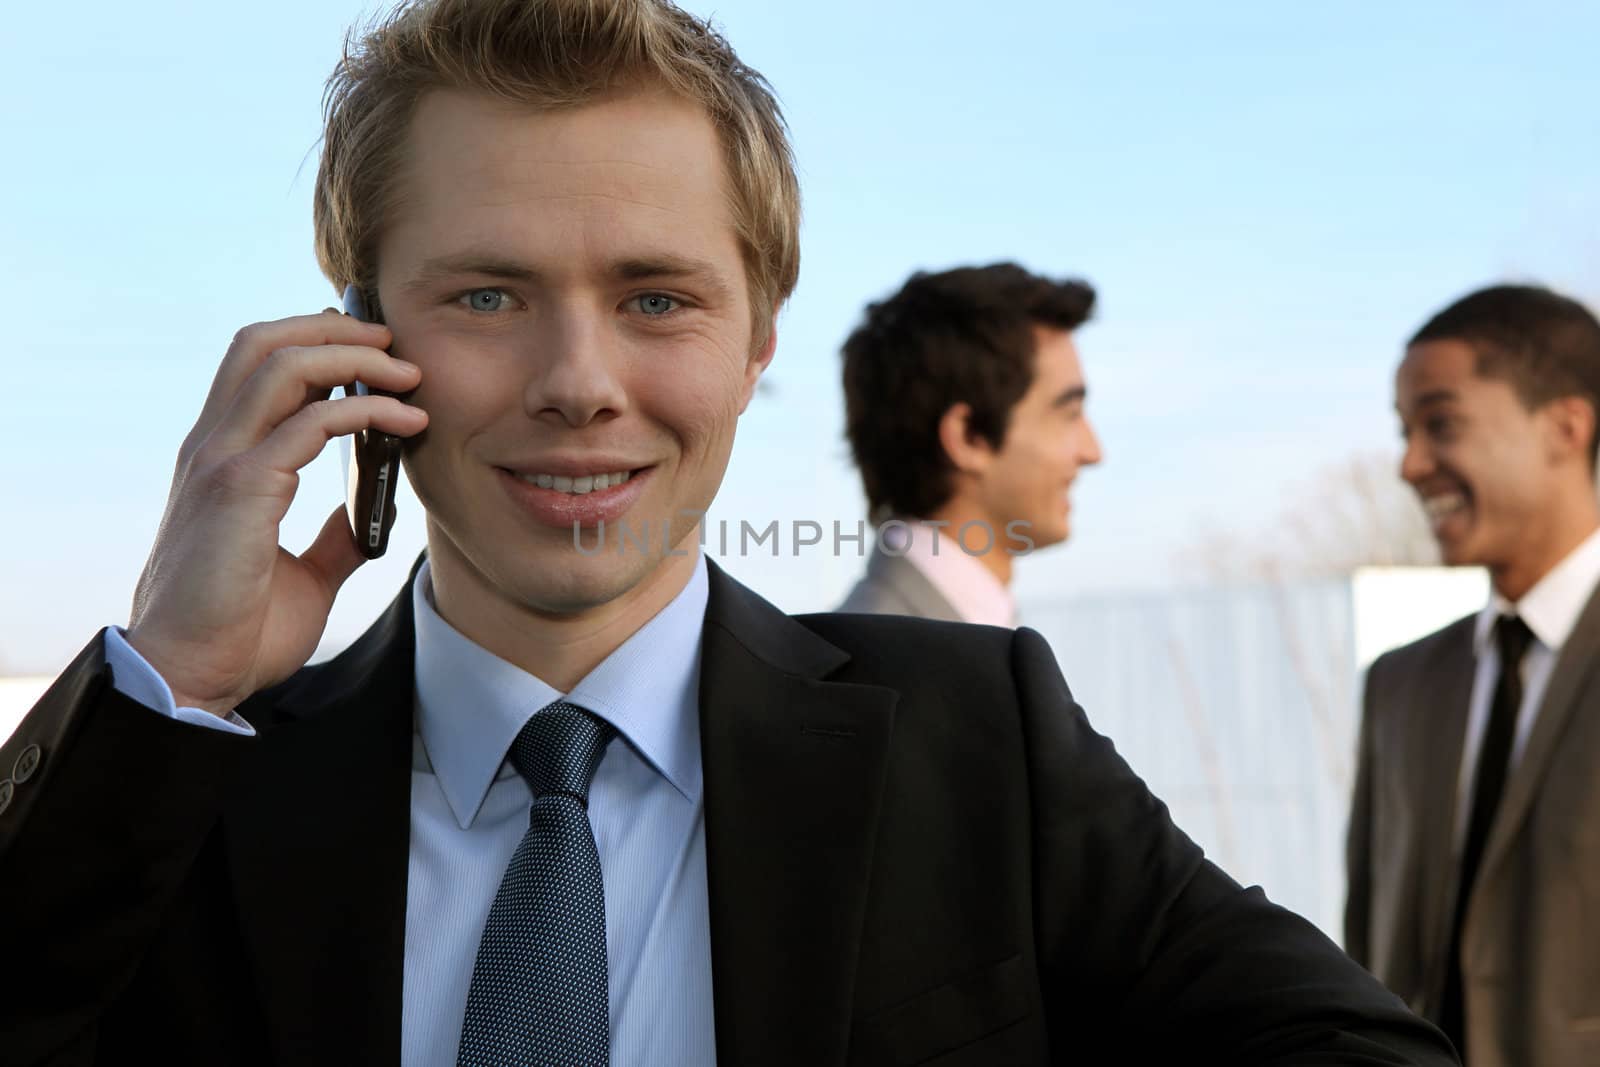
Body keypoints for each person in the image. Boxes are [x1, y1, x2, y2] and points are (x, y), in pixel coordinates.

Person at [0, 0, 1454, 1063]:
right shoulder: (186, 785)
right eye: (488, 295)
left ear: (760, 338)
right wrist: (172, 676)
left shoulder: (977, 740)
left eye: (656, 297)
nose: (580, 382)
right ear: (360, 339)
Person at [1346, 284, 1600, 1067]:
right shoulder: (1400, 683)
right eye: (1405, 432)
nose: (1411, 464)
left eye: (1441, 424)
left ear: (1566, 425)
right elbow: (1366, 946)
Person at [835, 264, 1103, 624]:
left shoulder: (969, 633)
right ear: (968, 437)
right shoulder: (878, 664)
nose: (1093, 452)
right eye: (1068, 413)